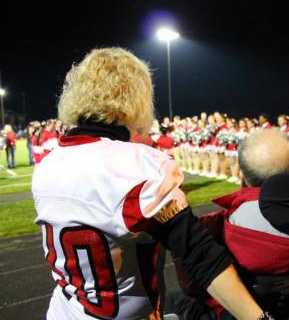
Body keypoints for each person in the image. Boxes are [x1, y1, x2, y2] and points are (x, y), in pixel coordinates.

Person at [33, 47, 264, 320]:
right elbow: (199, 255)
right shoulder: (137, 165)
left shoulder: (49, 163)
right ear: (137, 98)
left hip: (64, 311)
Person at [171, 130, 289, 319]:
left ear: (242, 177)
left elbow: (191, 285)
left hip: (243, 313)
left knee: (173, 301)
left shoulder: (220, 225)